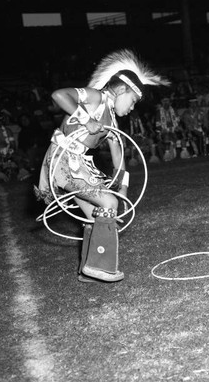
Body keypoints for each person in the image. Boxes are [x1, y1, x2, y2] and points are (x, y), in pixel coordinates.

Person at [34, 49, 167, 282]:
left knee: (99, 217)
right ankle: (99, 266)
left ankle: (89, 269)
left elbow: (119, 161)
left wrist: (123, 193)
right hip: (63, 160)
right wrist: (87, 118)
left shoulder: (113, 123)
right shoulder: (96, 98)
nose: (132, 108)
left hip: (76, 163)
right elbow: (58, 95)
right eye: (133, 102)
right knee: (107, 202)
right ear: (122, 89)